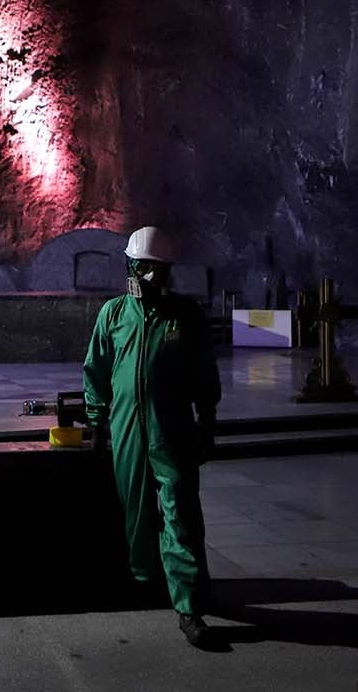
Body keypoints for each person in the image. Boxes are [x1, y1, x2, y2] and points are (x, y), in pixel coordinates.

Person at [83, 226, 223, 650]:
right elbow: (97, 368)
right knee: (134, 510)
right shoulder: (113, 314)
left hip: (172, 429)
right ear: (130, 266)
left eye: (157, 270)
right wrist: (96, 418)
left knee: (179, 512)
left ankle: (189, 607)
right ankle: (145, 581)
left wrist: (207, 420)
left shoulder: (184, 315)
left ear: (167, 272)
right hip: (127, 429)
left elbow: (203, 370)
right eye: (141, 268)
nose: (149, 277)